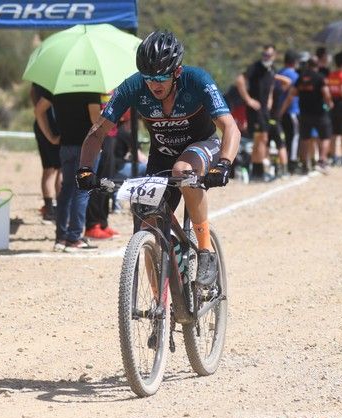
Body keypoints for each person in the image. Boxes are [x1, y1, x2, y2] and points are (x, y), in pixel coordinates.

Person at [77, 31, 240, 285]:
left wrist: (224, 164)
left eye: (162, 77)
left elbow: (230, 127)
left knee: (182, 169)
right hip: (161, 154)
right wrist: (85, 169)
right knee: (146, 225)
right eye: (149, 77)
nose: (155, 84)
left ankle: (206, 250)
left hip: (202, 146)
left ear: (176, 72)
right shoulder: (133, 86)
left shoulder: (197, 80)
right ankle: (161, 309)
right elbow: (98, 131)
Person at [43, 91, 102, 252]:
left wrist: (50, 136)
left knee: (66, 189)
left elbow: (39, 110)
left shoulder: (60, 89)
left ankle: (61, 237)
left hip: (65, 146)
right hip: (86, 147)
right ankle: (74, 237)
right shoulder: (90, 90)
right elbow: (95, 119)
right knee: (82, 191)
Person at [279, 56, 333, 175]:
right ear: (317, 65)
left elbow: (291, 95)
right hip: (319, 113)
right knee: (325, 137)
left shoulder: (301, 78)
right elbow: (326, 94)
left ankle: (304, 165)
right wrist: (330, 103)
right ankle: (322, 161)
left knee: (305, 139)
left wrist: (281, 111)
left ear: (308, 65)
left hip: (304, 113)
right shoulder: (320, 78)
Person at [235, 44, 276, 182]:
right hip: (255, 110)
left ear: (274, 56)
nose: (266, 57)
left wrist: (270, 99)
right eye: (264, 55)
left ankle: (259, 170)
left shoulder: (271, 69)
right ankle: (257, 171)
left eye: (269, 55)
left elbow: (271, 86)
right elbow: (240, 80)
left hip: (264, 109)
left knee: (263, 139)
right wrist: (248, 100)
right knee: (259, 138)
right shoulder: (255, 67)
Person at [84, 92, 120, 240]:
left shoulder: (113, 88)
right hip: (98, 136)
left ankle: (103, 222)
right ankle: (92, 225)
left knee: (107, 181)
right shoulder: (93, 90)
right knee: (96, 181)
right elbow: (94, 117)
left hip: (111, 136)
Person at [32, 83, 61, 222]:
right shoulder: (57, 83)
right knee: (59, 170)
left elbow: (33, 97)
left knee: (49, 169)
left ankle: (49, 208)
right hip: (53, 127)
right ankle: (59, 208)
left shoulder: (40, 79)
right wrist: (51, 136)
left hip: (41, 124)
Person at [277, 51, 301, 174]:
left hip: (280, 110)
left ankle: (286, 162)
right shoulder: (294, 75)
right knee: (294, 137)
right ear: (294, 62)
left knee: (285, 137)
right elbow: (291, 96)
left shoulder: (279, 73)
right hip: (291, 110)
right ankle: (292, 163)